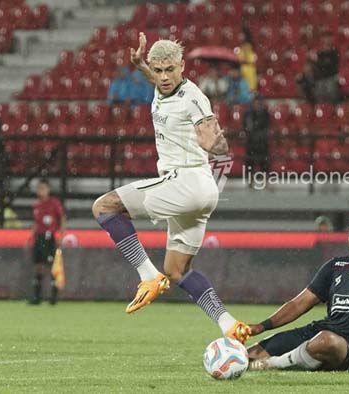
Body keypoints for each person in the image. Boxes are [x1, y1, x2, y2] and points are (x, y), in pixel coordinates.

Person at [91, 33, 250, 343]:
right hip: (201, 192)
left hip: (185, 182)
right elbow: (159, 83)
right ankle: (229, 324)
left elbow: (214, 139)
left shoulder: (194, 97)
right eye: (158, 70)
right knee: (176, 270)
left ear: (182, 67)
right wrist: (140, 65)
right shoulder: (163, 86)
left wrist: (215, 144)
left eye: (170, 70)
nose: (164, 76)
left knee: (104, 206)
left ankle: (147, 275)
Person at [247, 211, 349, 372]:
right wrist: (262, 326)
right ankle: (267, 361)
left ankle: (272, 365)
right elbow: (299, 304)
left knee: (326, 341)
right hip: (316, 333)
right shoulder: (335, 266)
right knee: (250, 355)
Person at [29, 179, 65, 305]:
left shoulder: (54, 203)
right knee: (38, 266)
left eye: (43, 189)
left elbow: (62, 219)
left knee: (52, 266)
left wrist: (60, 235)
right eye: (39, 189)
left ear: (48, 190)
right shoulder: (36, 205)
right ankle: (36, 297)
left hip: (50, 238)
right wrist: (31, 237)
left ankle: (53, 297)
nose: (41, 191)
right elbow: (36, 223)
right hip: (39, 237)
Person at [243, 93, 270, 173]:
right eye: (257, 103)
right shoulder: (248, 114)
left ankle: (265, 178)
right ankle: (249, 178)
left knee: (265, 160)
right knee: (249, 160)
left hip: (262, 143)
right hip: (251, 142)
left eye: (260, 103)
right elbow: (248, 128)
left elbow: (266, 128)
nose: (258, 105)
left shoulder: (266, 114)